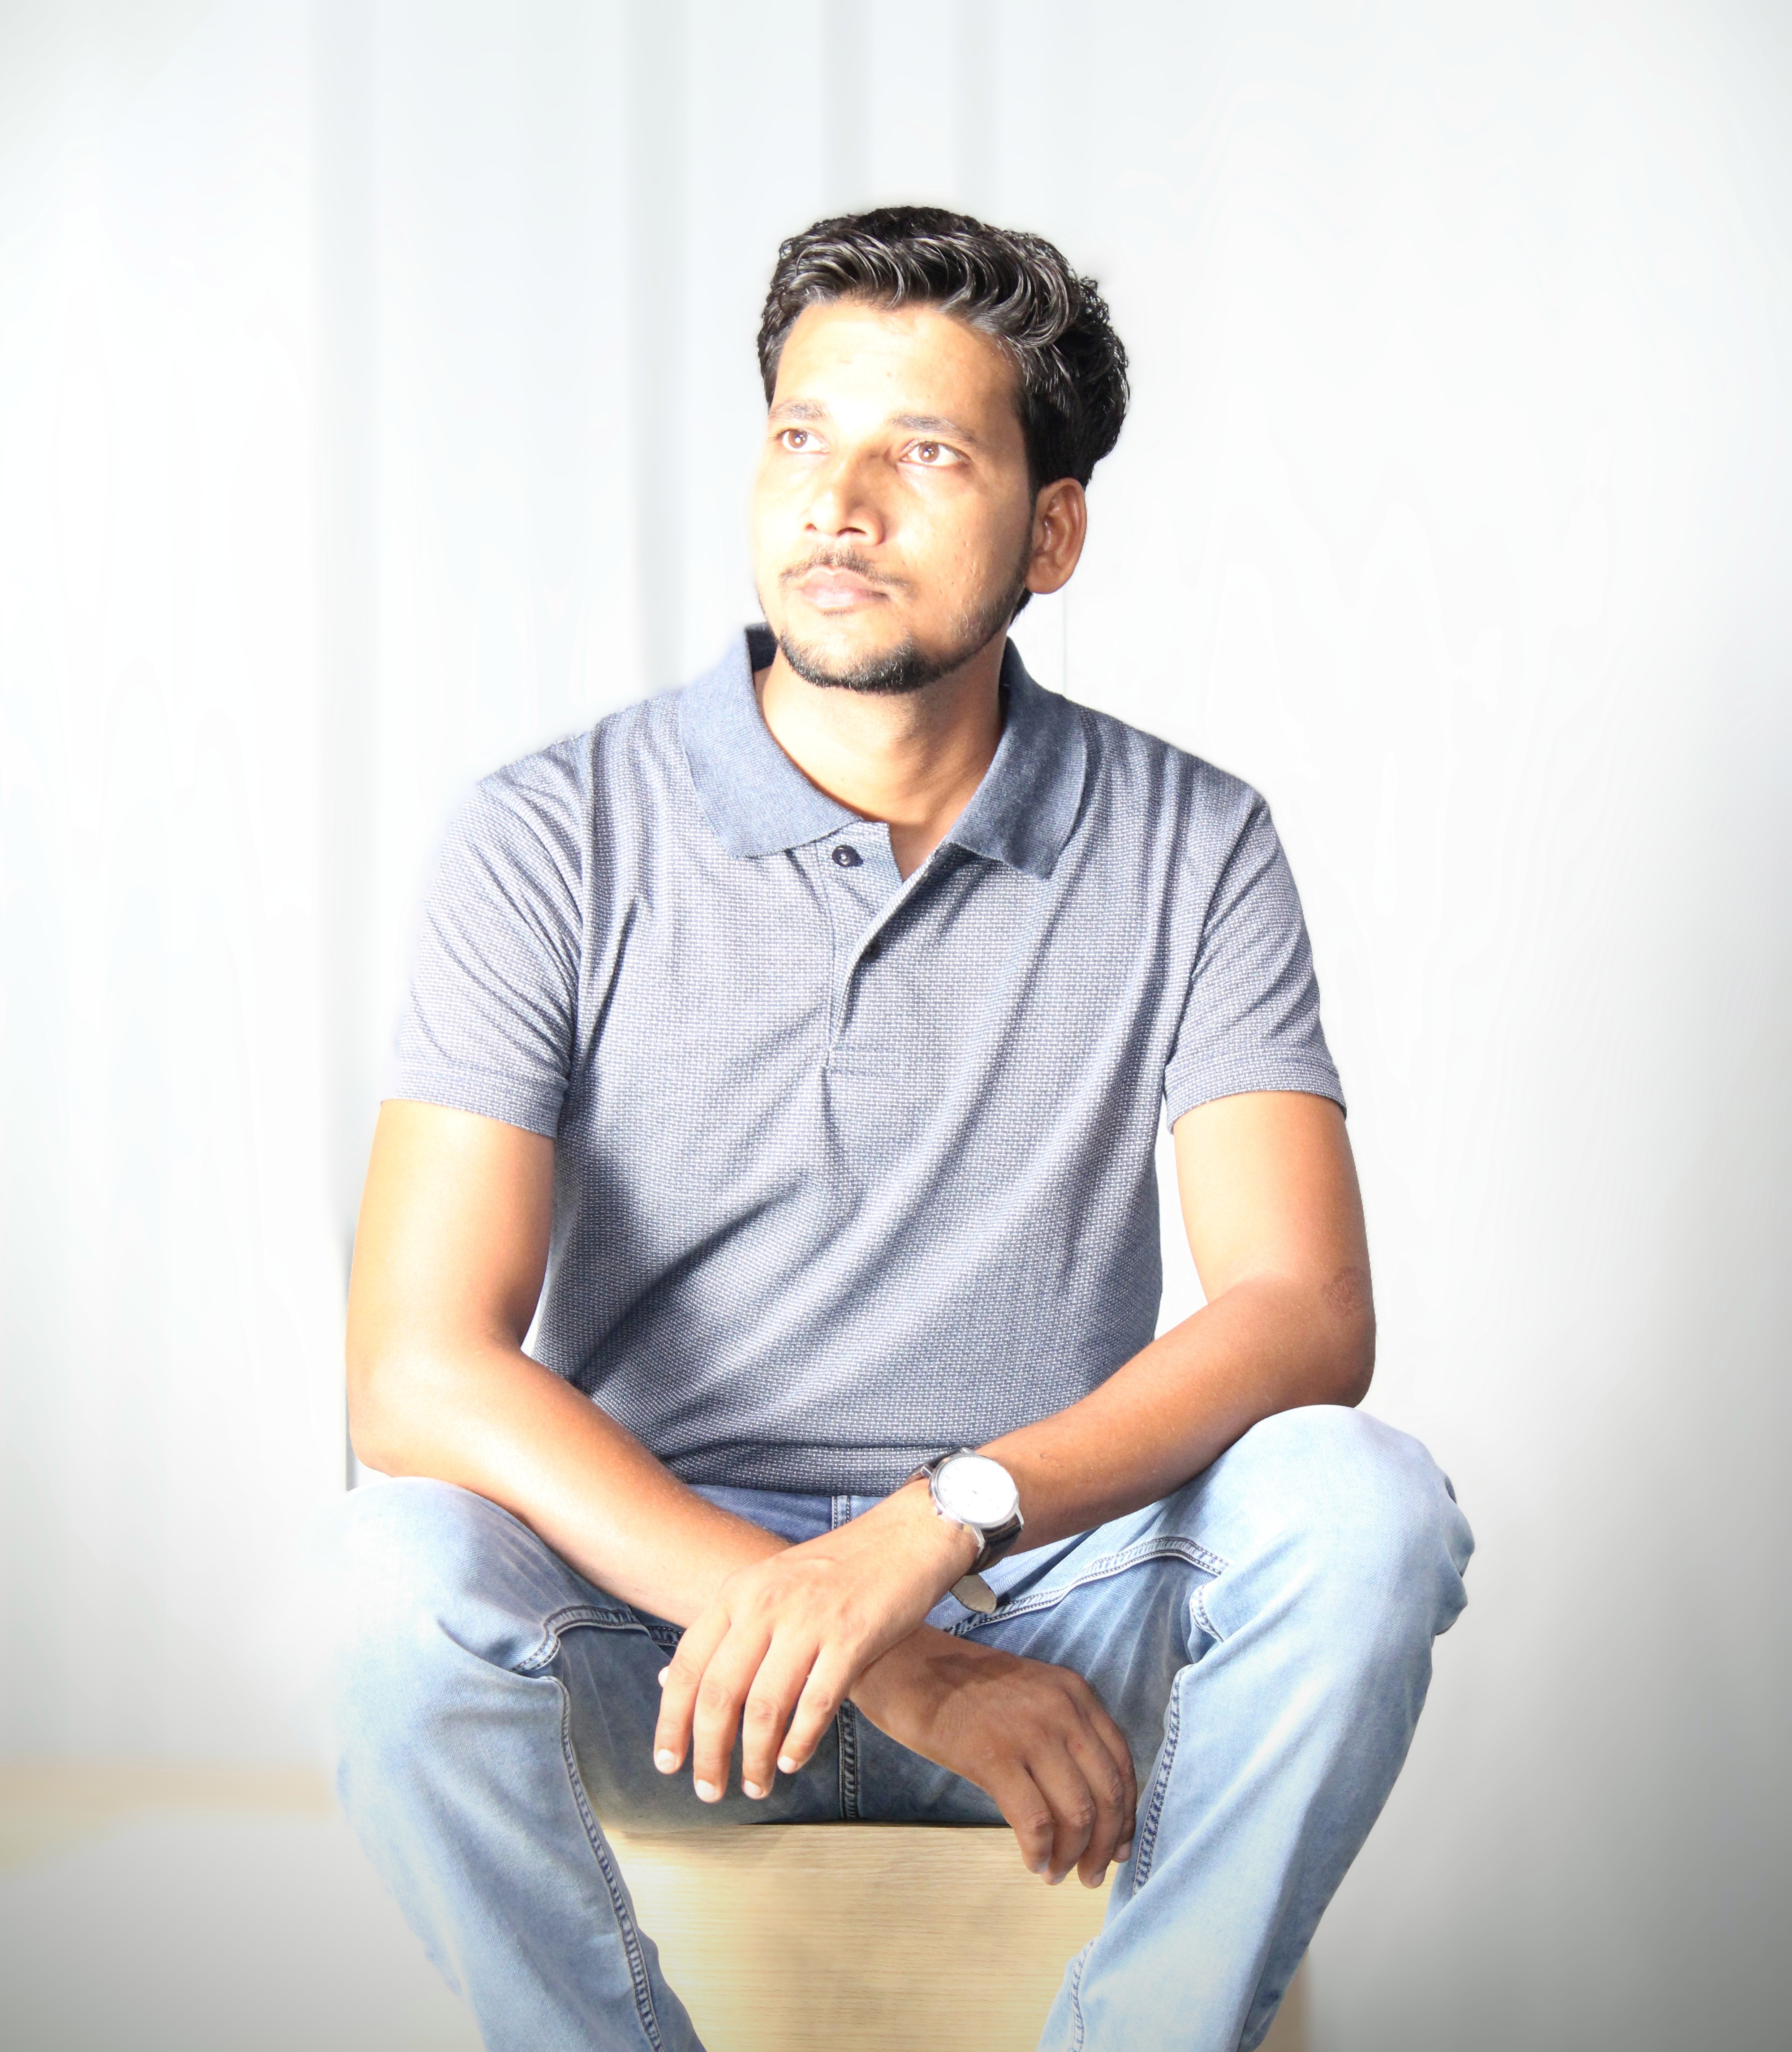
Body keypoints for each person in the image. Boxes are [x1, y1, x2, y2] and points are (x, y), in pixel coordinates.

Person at [333, 205, 1473, 2052]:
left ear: (1053, 532)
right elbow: (415, 1370)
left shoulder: (1193, 843)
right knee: (392, 1577)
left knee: (1364, 1507)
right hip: (671, 1639)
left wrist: (940, 1533)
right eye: (802, 436)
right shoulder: (550, 836)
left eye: (924, 453)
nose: (838, 505)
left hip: (1046, 1605)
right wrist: (885, 1652)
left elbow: (1301, 1314)